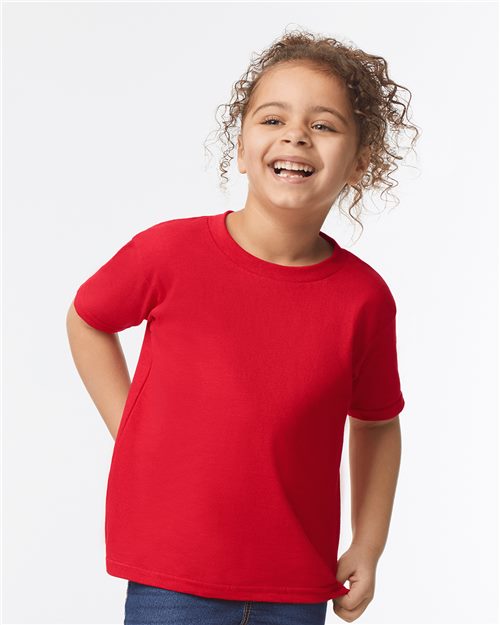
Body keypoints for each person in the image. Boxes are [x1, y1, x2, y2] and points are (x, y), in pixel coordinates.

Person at [67, 27, 419, 625]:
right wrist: (131, 427)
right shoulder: (168, 254)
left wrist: (369, 542)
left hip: (298, 586)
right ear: (241, 145)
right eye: (272, 118)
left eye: (325, 125)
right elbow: (88, 317)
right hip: (172, 576)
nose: (296, 136)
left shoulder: (363, 298)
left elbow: (379, 423)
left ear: (359, 163)